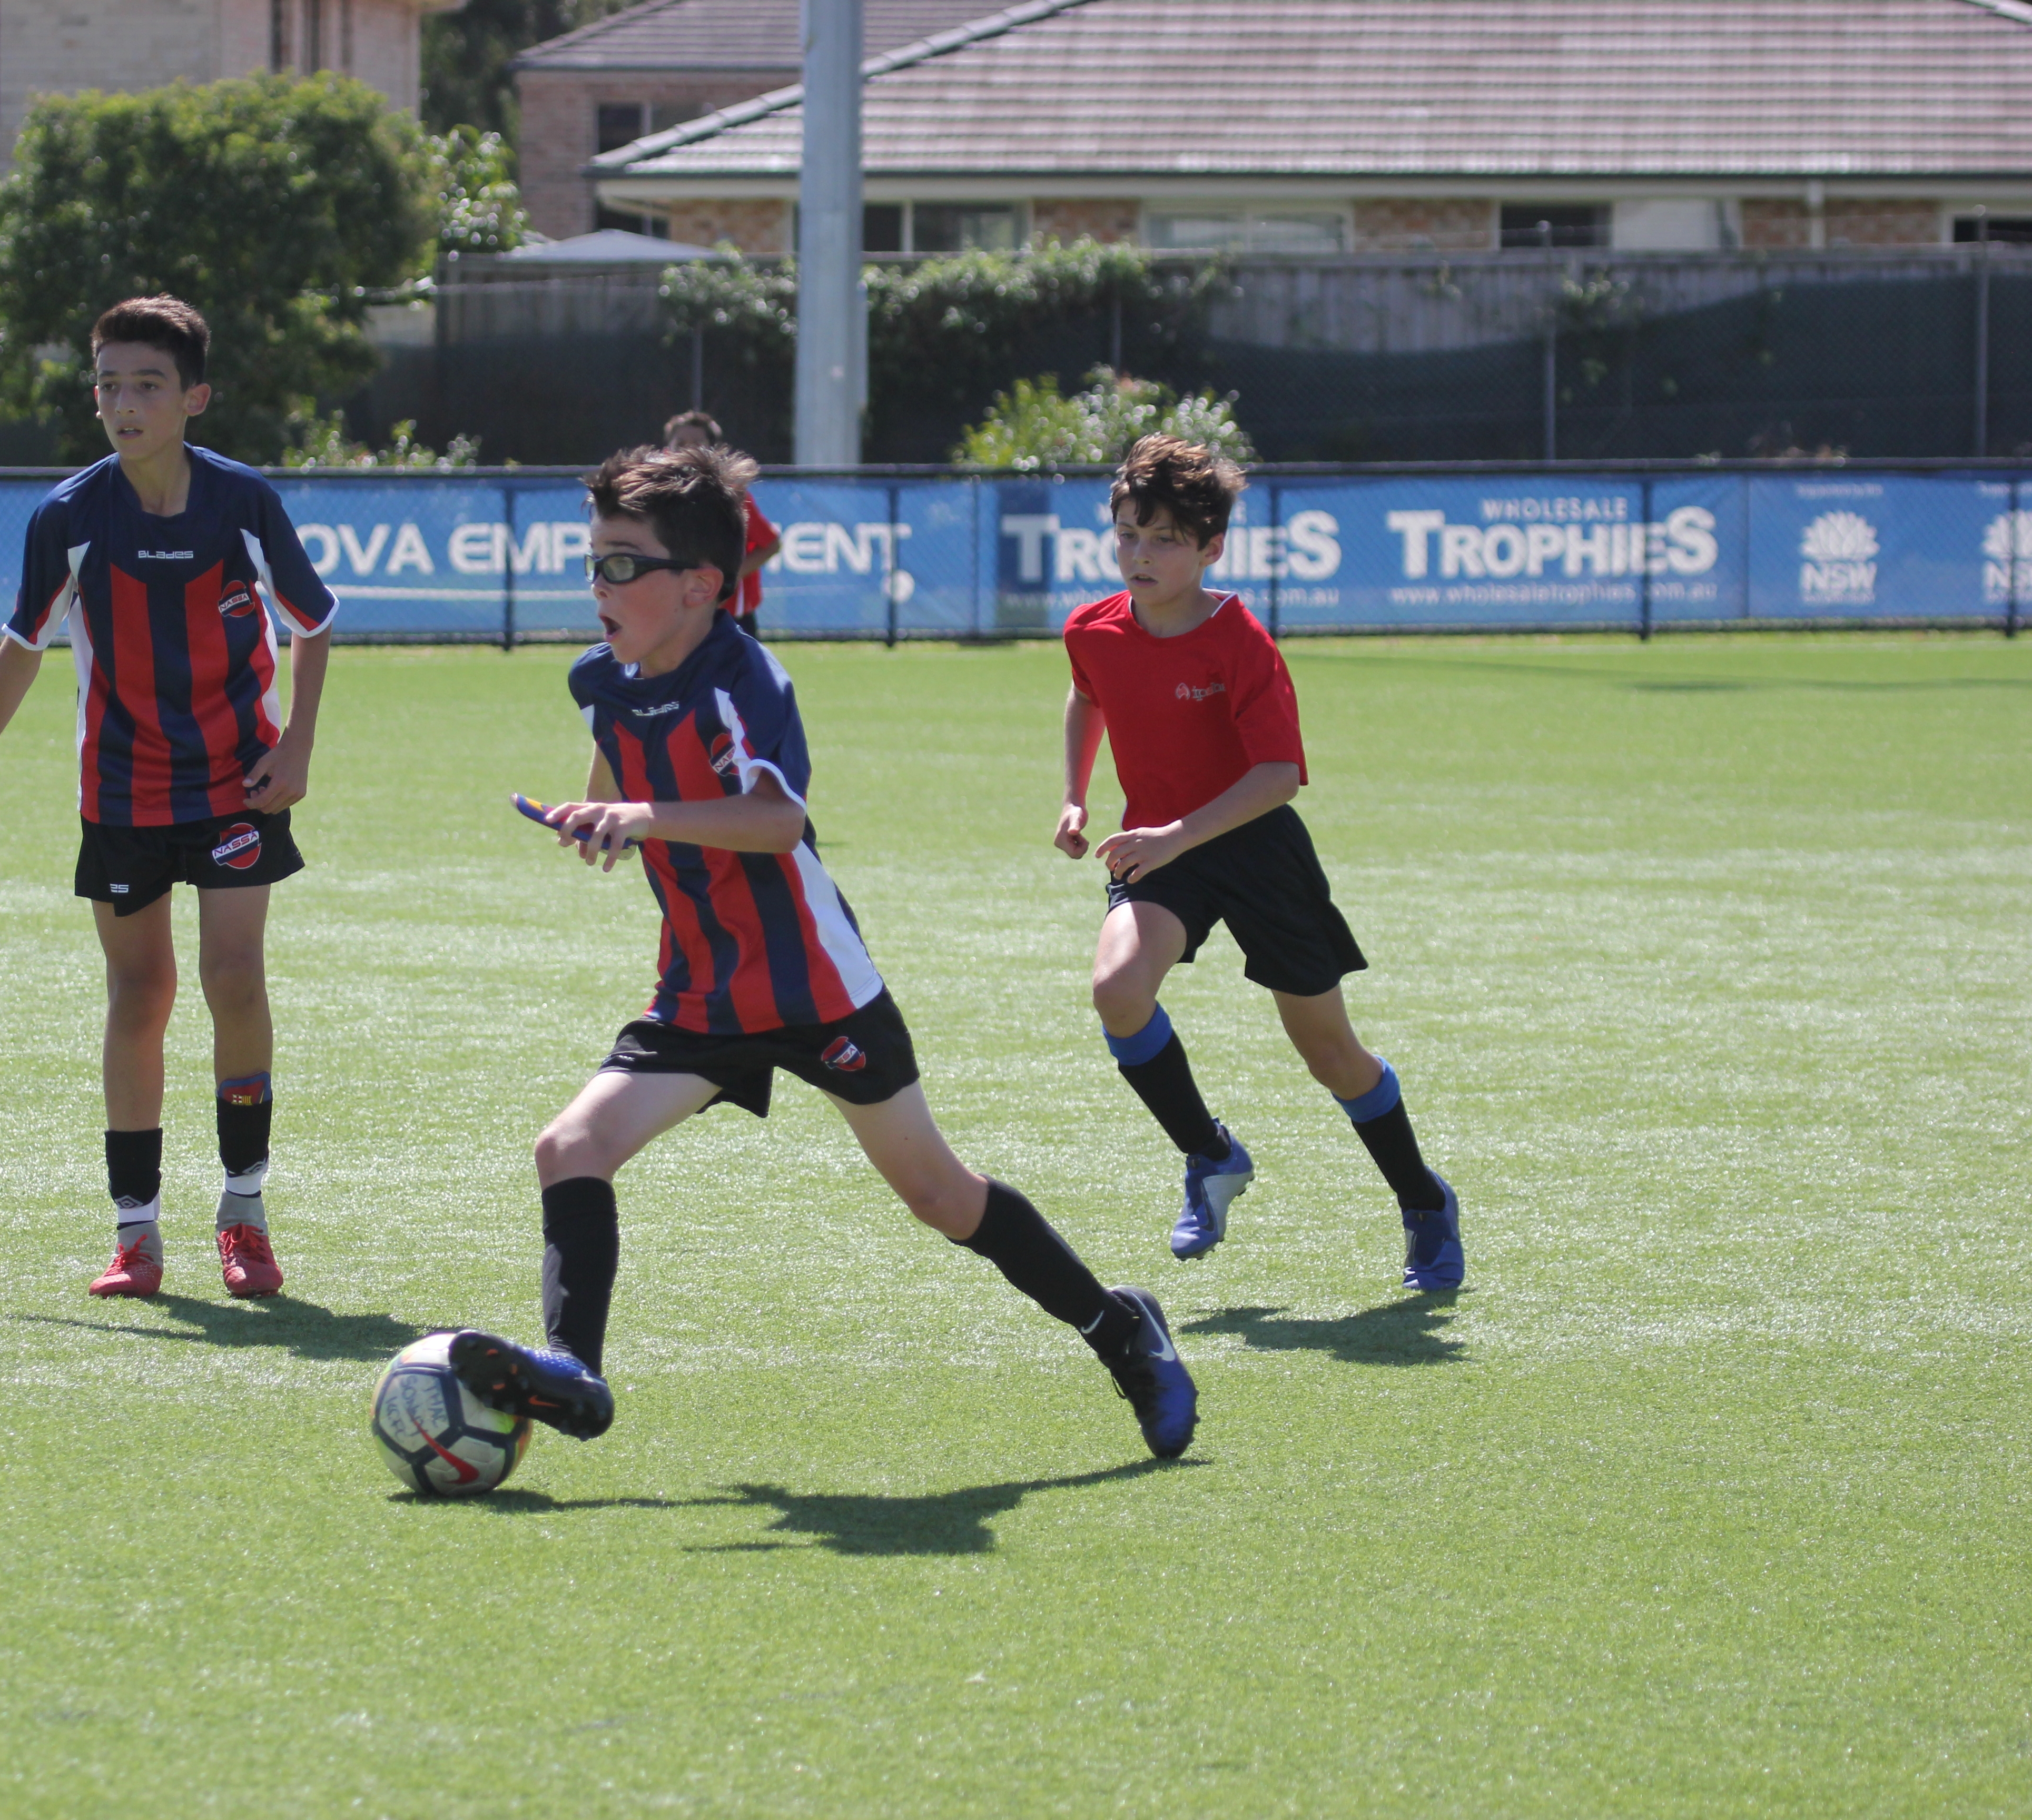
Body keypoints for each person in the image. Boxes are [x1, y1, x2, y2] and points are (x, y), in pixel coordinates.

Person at [446, 443, 1198, 1461]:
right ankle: (573, 1371)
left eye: (623, 565)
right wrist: (600, 816)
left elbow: (773, 822)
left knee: (939, 1196)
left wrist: (640, 814)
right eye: (593, 562)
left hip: (814, 986)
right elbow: (619, 772)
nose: (598, 585)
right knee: (568, 1149)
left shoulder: (744, 678)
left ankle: (1123, 1333)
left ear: (701, 584)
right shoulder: (600, 679)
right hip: (702, 991)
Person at [0, 296, 338, 1302]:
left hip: (238, 783)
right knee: (139, 995)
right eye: (107, 382)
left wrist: (301, 745)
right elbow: (18, 654)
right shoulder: (67, 517)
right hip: (121, 792)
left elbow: (312, 624)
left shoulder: (242, 503)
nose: (123, 402)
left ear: (194, 397)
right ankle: (135, 1234)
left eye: (146, 384)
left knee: (234, 978)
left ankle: (243, 1214)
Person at [1055, 434, 1463, 1290]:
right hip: (1161, 851)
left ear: (1210, 549)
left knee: (1328, 1053)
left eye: (1164, 538)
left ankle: (1422, 1200)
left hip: (1254, 849)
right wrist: (1074, 794)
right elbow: (1086, 694)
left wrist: (1171, 836)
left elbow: (1278, 777)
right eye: (1128, 533)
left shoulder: (1238, 640)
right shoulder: (1090, 630)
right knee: (1115, 990)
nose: (1139, 553)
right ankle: (1209, 1155)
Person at [660, 411, 777, 637]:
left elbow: (772, 544)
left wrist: (728, 577)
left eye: (697, 444)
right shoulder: (658, 499)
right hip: (679, 613)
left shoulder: (732, 496)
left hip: (729, 616)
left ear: (713, 452)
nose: (688, 450)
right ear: (667, 450)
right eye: (681, 443)